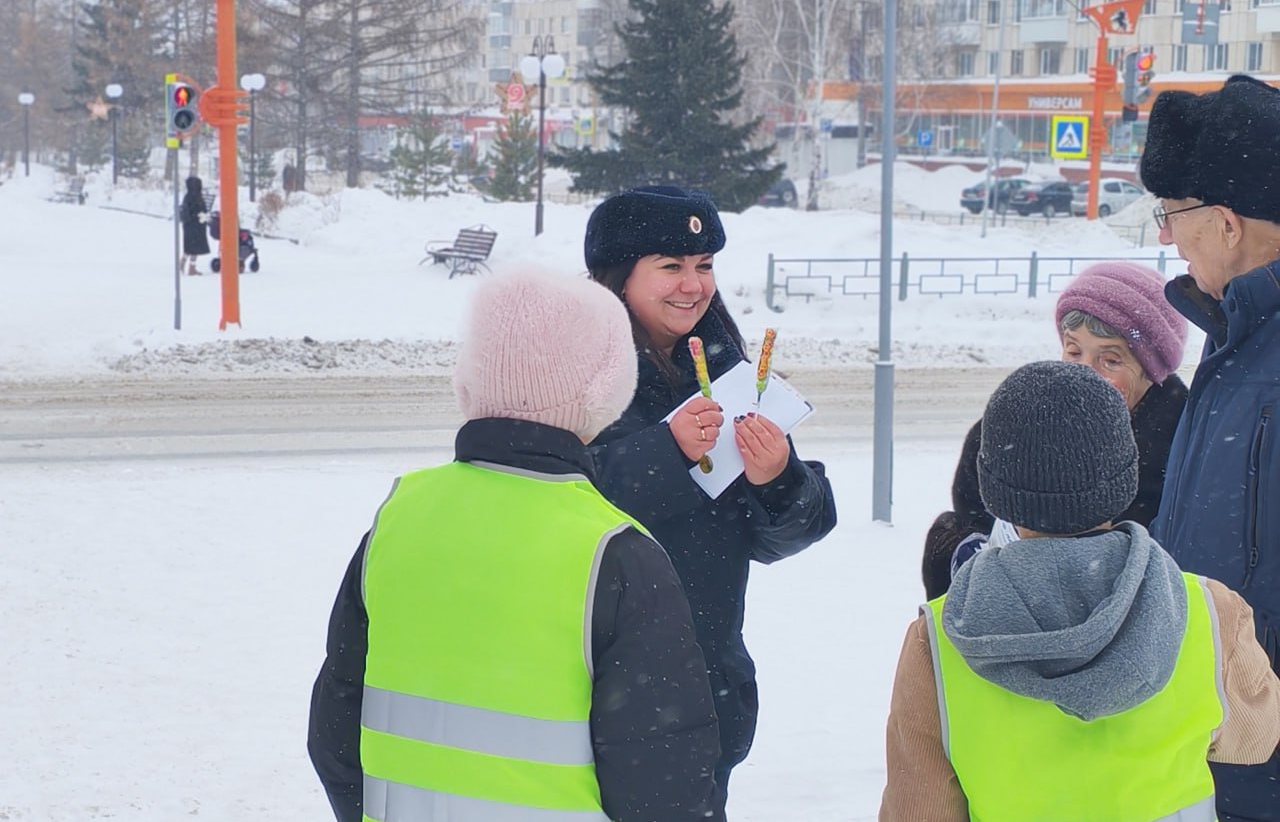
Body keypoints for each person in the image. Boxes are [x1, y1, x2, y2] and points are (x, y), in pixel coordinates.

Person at [307, 265, 724, 822]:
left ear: (470, 378)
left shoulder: (399, 518)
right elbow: (664, 783)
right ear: (606, 391)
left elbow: (336, 730)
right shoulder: (615, 551)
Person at [880, 361, 1280, 822]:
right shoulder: (1208, 609)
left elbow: (918, 807)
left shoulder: (939, 637)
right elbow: (1253, 740)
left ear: (993, 489)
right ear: (1125, 475)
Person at [583, 184, 838, 809]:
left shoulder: (729, 369)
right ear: (618, 279)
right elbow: (567, 492)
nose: (692, 286)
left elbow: (781, 536)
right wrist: (664, 449)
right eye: (670, 267)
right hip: (602, 682)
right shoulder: (581, 369)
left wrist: (778, 476)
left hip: (704, 680)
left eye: (703, 266)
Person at [1140, 73, 1280, 822]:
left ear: (1227, 224)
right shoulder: (1234, 345)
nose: (1164, 234)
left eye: (1172, 214)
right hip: (1227, 751)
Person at [946, 261, 1188, 560]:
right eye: (1074, 351)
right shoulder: (1016, 426)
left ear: (1150, 372)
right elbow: (973, 516)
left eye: (1110, 360)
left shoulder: (1183, 451)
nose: (1085, 372)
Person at [179, 176, 211, 276]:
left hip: (190, 225)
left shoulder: (188, 196)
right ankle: (191, 267)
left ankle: (184, 262)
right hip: (196, 225)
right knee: (195, 247)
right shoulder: (196, 197)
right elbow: (198, 210)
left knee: (190, 246)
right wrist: (202, 216)